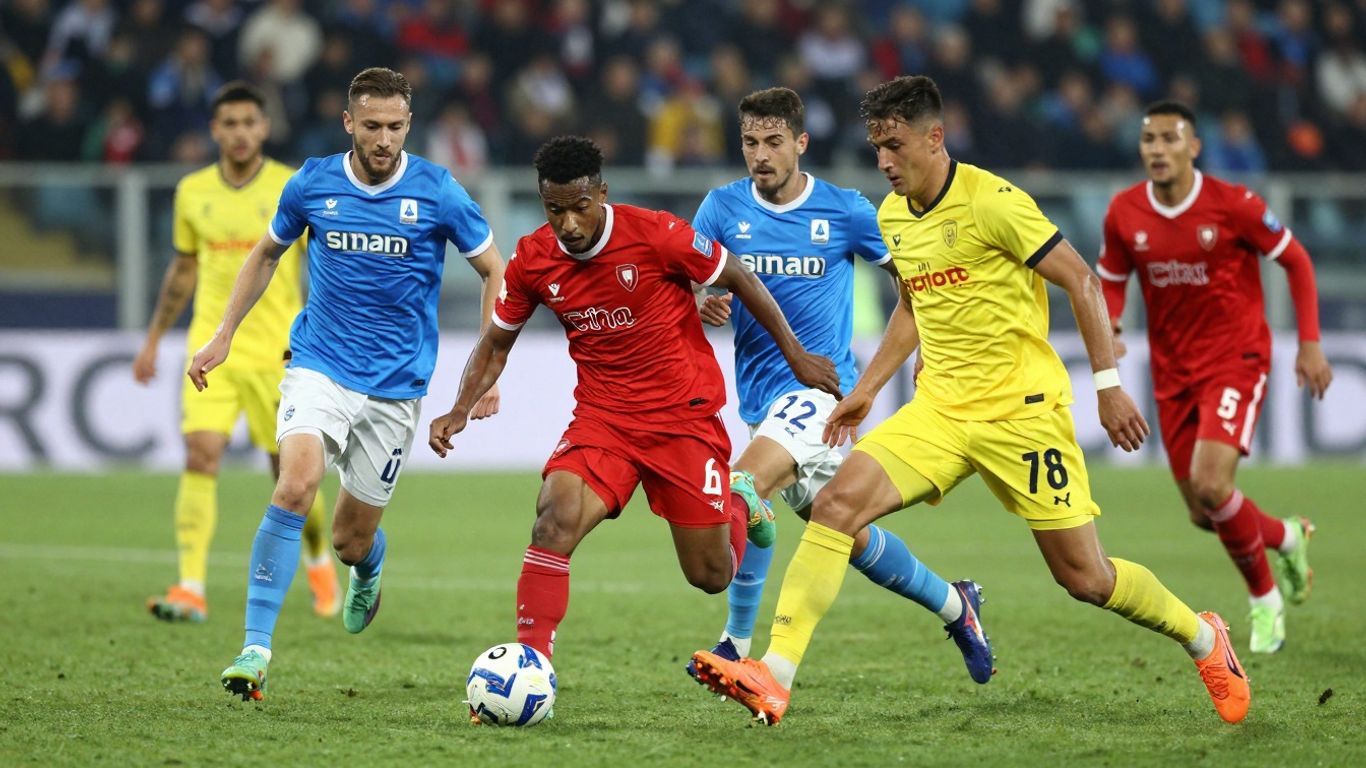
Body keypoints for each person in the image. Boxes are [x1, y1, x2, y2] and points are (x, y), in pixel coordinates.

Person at [691, 75, 1251, 726]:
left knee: (1086, 580)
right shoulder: (894, 216)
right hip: (941, 410)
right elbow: (910, 305)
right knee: (837, 507)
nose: (884, 163)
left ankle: (1205, 637)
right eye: (876, 148)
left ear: (935, 137)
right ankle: (773, 673)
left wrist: (1107, 386)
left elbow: (1082, 281)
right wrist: (865, 392)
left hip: (1021, 413)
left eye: (894, 146)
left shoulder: (995, 202)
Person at [427, 135, 840, 676]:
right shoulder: (533, 258)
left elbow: (735, 273)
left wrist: (799, 356)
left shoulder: (656, 235)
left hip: (683, 418)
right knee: (554, 519)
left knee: (711, 575)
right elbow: (496, 342)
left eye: (579, 207)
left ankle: (740, 504)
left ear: (602, 193)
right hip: (604, 420)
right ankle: (532, 668)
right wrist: (460, 407)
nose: (569, 223)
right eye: (555, 210)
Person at [187, 67, 505, 701]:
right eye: (371, 127)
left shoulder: (439, 192)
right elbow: (266, 254)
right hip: (318, 364)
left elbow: (497, 270)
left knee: (348, 538)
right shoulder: (314, 183)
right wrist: (222, 334)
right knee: (296, 482)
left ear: (409, 125)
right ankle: (255, 649)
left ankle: (368, 564)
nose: (383, 139)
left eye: (394, 127)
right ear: (348, 124)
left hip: (396, 385)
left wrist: (487, 368)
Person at [685, 87, 993, 686]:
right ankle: (958, 606)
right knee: (846, 536)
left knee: (743, 489)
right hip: (760, 402)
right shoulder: (721, 210)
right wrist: (701, 300)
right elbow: (684, 279)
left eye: (774, 142)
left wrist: (929, 349)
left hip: (824, 398)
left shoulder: (846, 210)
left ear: (800, 143)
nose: (761, 155)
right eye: (750, 142)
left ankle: (735, 644)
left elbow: (917, 281)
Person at [1098, 100, 1331, 654]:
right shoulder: (1124, 212)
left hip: (1235, 357)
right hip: (1172, 370)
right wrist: (1110, 319)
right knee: (1205, 513)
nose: (1157, 149)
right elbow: (1111, 276)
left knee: (1211, 483)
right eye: (1149, 139)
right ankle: (1287, 535)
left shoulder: (1234, 204)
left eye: (1169, 139)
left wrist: (1311, 343)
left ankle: (1264, 600)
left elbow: (1296, 260)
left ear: (1194, 147)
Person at [134, 81, 338, 624]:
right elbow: (183, 270)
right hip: (211, 348)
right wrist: (155, 338)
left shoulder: (292, 186)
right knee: (200, 454)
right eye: (230, 123)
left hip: (280, 354)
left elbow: (323, 267)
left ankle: (320, 560)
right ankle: (191, 586)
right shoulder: (192, 191)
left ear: (264, 128)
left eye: (250, 122)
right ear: (214, 131)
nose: (241, 132)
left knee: (291, 476)